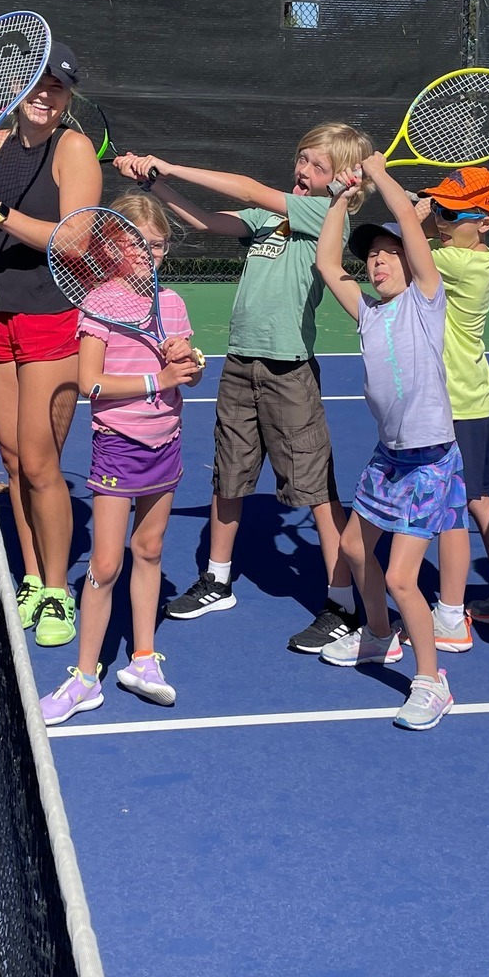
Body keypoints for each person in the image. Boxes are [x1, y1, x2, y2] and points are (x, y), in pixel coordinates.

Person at [110, 123, 372, 649]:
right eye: (302, 160)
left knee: (317, 489)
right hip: (240, 365)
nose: (303, 171)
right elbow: (207, 220)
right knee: (228, 475)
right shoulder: (267, 221)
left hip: (288, 371)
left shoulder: (327, 217)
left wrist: (170, 164)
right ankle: (218, 579)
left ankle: (342, 603)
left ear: (342, 182)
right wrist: (155, 184)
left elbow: (250, 187)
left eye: (318, 167)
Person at [39, 191, 205, 725]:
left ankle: (141, 659)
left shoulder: (172, 303)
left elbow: (189, 368)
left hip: (167, 441)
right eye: (139, 246)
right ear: (113, 247)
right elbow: (91, 383)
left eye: (157, 247)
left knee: (150, 549)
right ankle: (86, 677)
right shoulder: (100, 304)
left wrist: (190, 362)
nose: (150, 257)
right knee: (106, 564)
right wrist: (159, 377)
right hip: (119, 443)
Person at [311, 153, 458, 730]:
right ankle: (377, 635)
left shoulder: (426, 302)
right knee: (352, 549)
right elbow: (327, 262)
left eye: (388, 254)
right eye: (371, 256)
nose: (376, 264)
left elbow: (403, 212)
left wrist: (374, 169)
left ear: (411, 259)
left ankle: (431, 680)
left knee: (400, 577)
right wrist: (340, 202)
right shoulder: (370, 314)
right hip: (389, 456)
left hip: (429, 460)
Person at [0, 43, 103, 651]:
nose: (46, 96)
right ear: (20, 85)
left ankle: (57, 589)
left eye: (59, 89)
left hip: (54, 320)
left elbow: (76, 241)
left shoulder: (73, 149)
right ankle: (29, 575)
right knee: (13, 461)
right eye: (40, 83)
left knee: (43, 461)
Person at [412, 167, 489, 648]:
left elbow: (401, 250)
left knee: (455, 503)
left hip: (458, 402)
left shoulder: (460, 261)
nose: (439, 217)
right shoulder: (461, 252)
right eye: (437, 206)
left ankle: (450, 614)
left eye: (451, 212)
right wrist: (422, 214)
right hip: (469, 397)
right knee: (476, 499)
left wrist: (408, 213)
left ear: (485, 223)